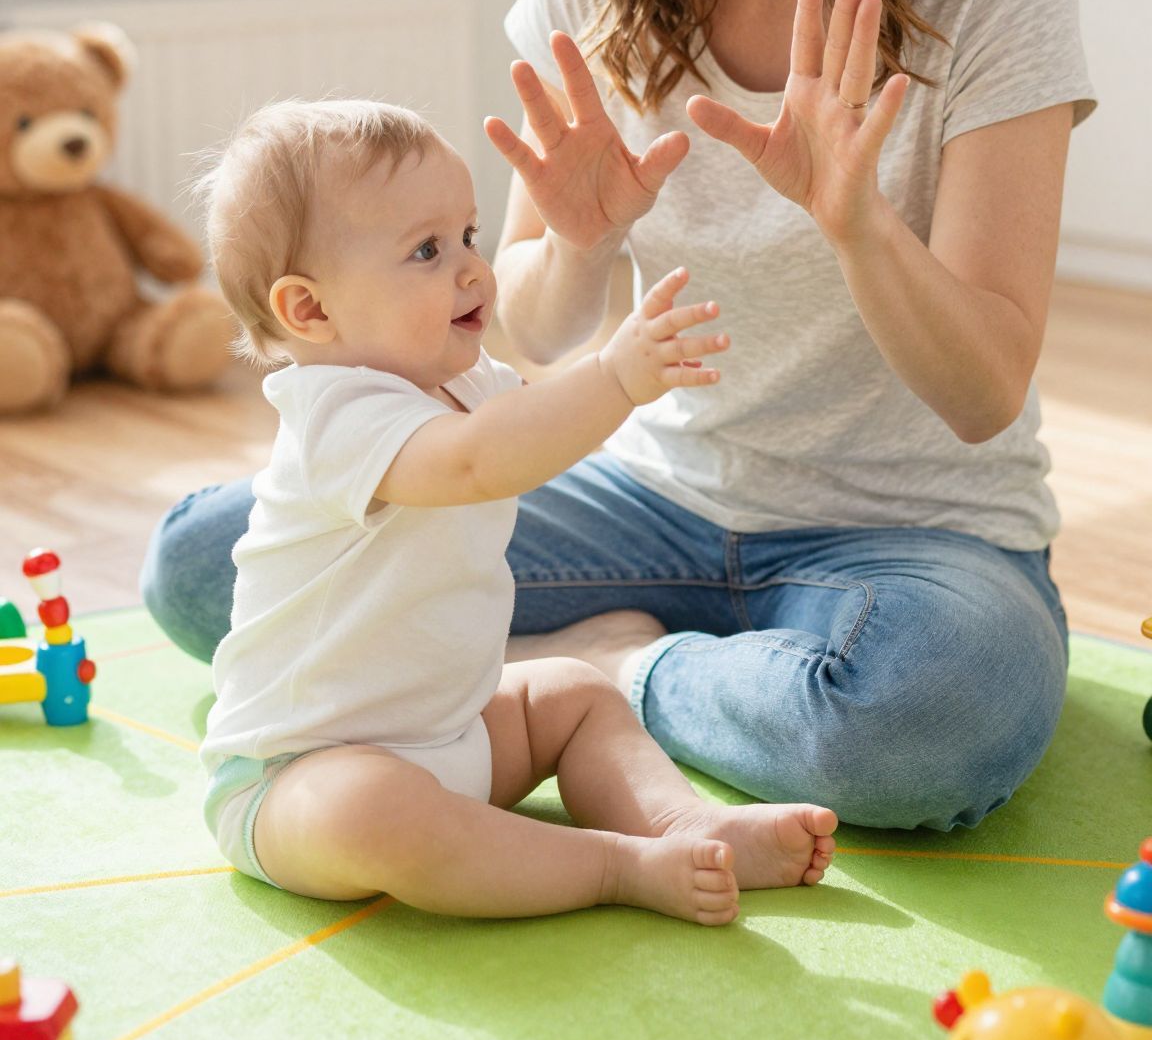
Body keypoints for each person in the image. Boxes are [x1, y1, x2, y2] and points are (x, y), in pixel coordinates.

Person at [143, 0, 1096, 833]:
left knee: (932, 720)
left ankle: (607, 677)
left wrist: (858, 226)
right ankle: (643, 679)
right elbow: (532, 333)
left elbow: (985, 393)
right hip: (639, 492)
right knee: (206, 564)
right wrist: (583, 246)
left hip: (908, 537)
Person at [194, 98, 837, 915]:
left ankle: (685, 823)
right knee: (378, 811)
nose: (473, 269)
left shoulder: (465, 383)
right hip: (302, 779)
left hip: (454, 738)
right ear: (311, 311)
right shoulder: (335, 415)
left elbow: (527, 429)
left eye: (469, 235)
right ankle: (613, 866)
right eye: (426, 250)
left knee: (570, 693)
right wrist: (615, 377)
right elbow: (474, 463)